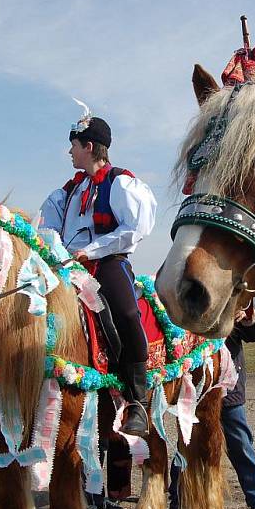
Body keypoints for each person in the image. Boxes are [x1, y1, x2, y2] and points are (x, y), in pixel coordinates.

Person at [40, 112, 157, 437]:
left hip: (106, 263)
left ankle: (137, 401)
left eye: (74, 146)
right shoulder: (65, 193)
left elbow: (135, 228)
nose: (70, 153)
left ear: (89, 146)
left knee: (127, 311)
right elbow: (46, 228)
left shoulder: (119, 182)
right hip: (66, 267)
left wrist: (90, 251)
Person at [168, 303, 255, 509]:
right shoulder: (187, 297)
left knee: (241, 445)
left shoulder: (231, 296)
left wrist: (247, 316)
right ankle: (178, 499)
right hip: (194, 389)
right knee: (186, 445)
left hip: (228, 390)